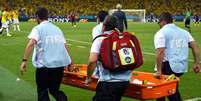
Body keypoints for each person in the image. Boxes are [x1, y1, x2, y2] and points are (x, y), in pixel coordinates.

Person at [20, 7, 72, 101]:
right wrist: (69, 62)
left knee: (42, 90)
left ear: (37, 17)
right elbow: (65, 46)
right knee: (55, 90)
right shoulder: (57, 29)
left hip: (45, 66)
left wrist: (24, 61)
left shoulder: (38, 28)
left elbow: (31, 44)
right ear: (47, 16)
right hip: (59, 66)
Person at [154, 12, 200, 101]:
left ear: (163, 21)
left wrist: (159, 70)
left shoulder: (161, 33)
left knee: (169, 91)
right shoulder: (184, 32)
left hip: (168, 66)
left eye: (159, 22)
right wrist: (196, 63)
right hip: (181, 66)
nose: (159, 25)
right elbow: (195, 47)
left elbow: (160, 52)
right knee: (162, 90)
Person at [85, 15, 132, 101]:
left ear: (103, 26)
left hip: (108, 82)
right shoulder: (123, 39)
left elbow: (92, 60)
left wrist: (88, 77)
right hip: (125, 81)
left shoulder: (99, 40)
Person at [91, 10, 108, 78]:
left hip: (100, 54)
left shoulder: (96, 28)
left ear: (98, 18)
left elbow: (96, 42)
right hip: (110, 53)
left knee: (98, 74)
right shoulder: (111, 27)